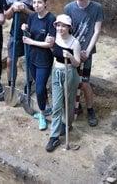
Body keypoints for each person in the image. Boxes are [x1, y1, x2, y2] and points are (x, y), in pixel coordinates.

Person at [64, 0, 103, 127]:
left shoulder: (97, 8)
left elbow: (97, 31)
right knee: (72, 80)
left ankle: (90, 109)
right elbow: (66, 31)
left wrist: (87, 50)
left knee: (85, 82)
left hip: (87, 52)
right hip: (72, 51)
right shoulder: (69, 8)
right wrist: (75, 50)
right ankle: (75, 105)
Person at [45, 14, 81, 152]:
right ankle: (53, 137)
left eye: (63, 26)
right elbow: (54, 51)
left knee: (69, 103)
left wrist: (71, 56)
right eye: (58, 25)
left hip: (70, 73)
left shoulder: (75, 43)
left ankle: (67, 124)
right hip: (56, 72)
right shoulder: (56, 37)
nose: (60, 28)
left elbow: (77, 63)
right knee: (57, 105)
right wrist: (49, 44)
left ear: (69, 28)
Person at [21, 0, 56, 131]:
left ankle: (41, 114)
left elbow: (50, 44)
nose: (36, 5)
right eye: (34, 3)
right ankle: (45, 107)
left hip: (44, 59)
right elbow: (31, 33)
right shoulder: (32, 17)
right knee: (39, 87)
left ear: (45, 3)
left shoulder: (51, 19)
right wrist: (25, 28)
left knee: (40, 88)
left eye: (39, 2)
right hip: (31, 57)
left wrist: (31, 42)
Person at [3, 0, 36, 87]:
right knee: (10, 61)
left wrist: (24, 9)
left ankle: (29, 84)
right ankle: (11, 85)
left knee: (30, 61)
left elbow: (38, 16)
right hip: (15, 32)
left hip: (31, 33)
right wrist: (12, 8)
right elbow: (6, 16)